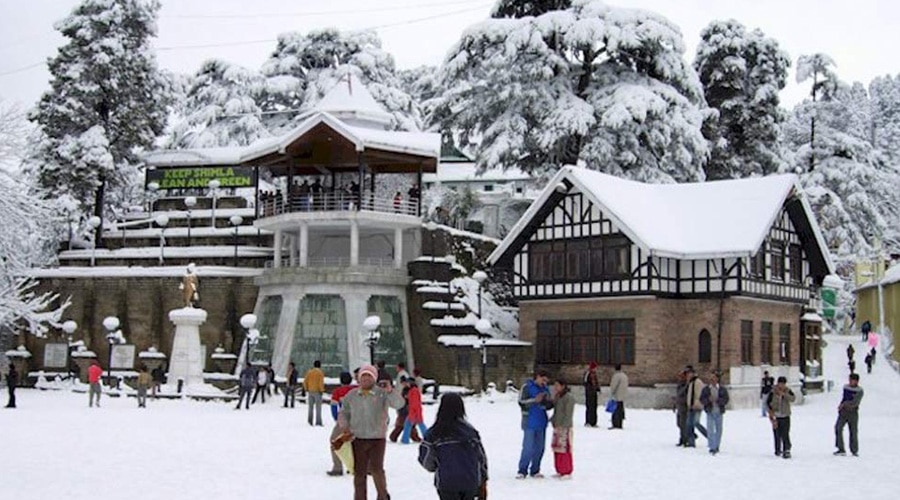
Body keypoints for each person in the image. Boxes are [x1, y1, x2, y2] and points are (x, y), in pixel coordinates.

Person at [336, 364, 404, 500]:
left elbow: (399, 404)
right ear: (359, 378)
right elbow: (344, 412)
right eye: (363, 376)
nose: (366, 379)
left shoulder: (382, 393)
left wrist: (391, 391)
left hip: (377, 438)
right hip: (358, 438)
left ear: (374, 378)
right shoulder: (352, 395)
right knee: (359, 472)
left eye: (369, 376)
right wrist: (344, 426)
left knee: (377, 470)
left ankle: (383, 495)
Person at [418, 392, 489, 500]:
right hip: (470, 480)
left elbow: (426, 459)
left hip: (447, 482)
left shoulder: (434, 433)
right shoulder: (470, 432)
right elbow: (481, 458)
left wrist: (437, 466)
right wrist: (483, 479)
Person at [516, 369, 552, 479]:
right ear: (537, 377)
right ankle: (522, 470)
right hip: (529, 422)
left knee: (540, 448)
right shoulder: (526, 387)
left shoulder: (545, 389)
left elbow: (548, 406)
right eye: (543, 380)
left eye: (546, 381)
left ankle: (535, 469)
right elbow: (521, 402)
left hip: (541, 421)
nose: (544, 383)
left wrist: (549, 402)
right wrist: (534, 400)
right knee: (528, 447)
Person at [328, 371, 357, 476]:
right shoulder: (356, 389)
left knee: (334, 440)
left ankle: (337, 467)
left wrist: (337, 418)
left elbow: (333, 406)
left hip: (344, 419)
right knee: (357, 443)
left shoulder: (338, 391)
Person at [834, 373, 864, 456]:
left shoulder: (860, 391)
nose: (850, 381)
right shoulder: (846, 387)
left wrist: (844, 404)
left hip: (853, 412)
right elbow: (844, 398)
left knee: (853, 431)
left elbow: (855, 402)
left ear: (856, 381)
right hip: (843, 412)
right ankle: (840, 448)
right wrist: (841, 405)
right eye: (849, 379)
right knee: (838, 428)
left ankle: (854, 450)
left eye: (852, 380)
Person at [699, 371, 729, 455]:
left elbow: (726, 399)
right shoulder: (706, 389)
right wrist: (708, 400)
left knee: (719, 429)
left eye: (713, 378)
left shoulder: (722, 389)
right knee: (710, 429)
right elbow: (702, 399)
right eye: (711, 378)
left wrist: (719, 401)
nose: (712, 380)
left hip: (719, 411)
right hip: (710, 411)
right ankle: (712, 446)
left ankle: (717, 445)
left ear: (717, 379)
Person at [551, 379, 575, 478]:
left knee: (565, 449)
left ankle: (567, 470)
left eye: (557, 385)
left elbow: (568, 413)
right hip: (557, 426)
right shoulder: (558, 397)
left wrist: (564, 425)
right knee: (557, 448)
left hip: (565, 427)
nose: (555, 388)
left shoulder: (568, 398)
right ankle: (559, 469)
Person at [767, 376, 795, 459]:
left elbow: (793, 398)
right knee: (777, 433)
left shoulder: (788, 391)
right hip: (776, 416)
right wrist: (771, 414)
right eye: (780, 384)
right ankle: (778, 449)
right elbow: (768, 403)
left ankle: (786, 449)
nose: (782, 386)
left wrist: (784, 395)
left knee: (785, 433)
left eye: (783, 384)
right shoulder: (772, 392)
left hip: (785, 415)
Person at [683, 366, 707, 447]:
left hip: (697, 407)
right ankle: (691, 442)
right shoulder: (690, 383)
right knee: (689, 425)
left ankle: (709, 436)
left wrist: (695, 404)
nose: (687, 375)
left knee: (696, 423)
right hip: (691, 407)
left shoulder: (697, 382)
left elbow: (700, 395)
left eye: (689, 373)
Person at [401, 377, 428, 444]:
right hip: (415, 411)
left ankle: (405, 439)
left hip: (414, 411)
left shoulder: (414, 391)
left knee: (409, 425)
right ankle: (427, 437)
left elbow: (414, 403)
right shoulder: (413, 390)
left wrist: (413, 412)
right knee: (419, 424)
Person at [304, 360, 326, 426]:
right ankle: (318, 422)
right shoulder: (320, 373)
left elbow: (305, 381)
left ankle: (310, 421)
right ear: (320, 365)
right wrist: (321, 390)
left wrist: (306, 388)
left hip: (310, 391)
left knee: (310, 407)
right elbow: (320, 383)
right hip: (317, 392)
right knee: (318, 408)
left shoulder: (309, 372)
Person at [609, 364, 628, 429]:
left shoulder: (616, 376)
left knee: (615, 411)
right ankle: (620, 424)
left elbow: (613, 386)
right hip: (622, 396)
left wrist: (612, 393)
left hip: (617, 396)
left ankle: (615, 424)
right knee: (620, 411)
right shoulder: (624, 376)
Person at [673, 369, 689, 446]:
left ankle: (684, 439)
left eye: (682, 376)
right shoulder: (679, 385)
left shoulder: (687, 385)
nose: (680, 377)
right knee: (679, 423)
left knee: (683, 424)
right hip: (679, 406)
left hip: (684, 406)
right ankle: (685, 437)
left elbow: (685, 396)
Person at [583, 361, 600, 427]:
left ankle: (593, 422)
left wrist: (597, 388)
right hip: (589, 393)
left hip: (594, 393)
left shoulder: (594, 374)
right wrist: (590, 389)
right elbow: (585, 383)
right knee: (589, 407)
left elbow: (596, 382)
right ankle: (588, 421)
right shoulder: (588, 373)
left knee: (594, 407)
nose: (595, 369)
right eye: (595, 367)